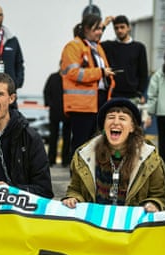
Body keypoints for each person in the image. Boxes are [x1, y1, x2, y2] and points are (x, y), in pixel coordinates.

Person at [62, 98, 165, 212]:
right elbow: (75, 190)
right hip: (94, 224)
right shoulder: (85, 155)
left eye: (122, 118)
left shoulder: (150, 158)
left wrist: (153, 204)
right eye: (111, 117)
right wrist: (73, 198)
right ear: (104, 126)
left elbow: (158, 196)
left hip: (132, 225)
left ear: (132, 127)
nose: (116, 122)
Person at [61, 14, 114, 156]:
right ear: (86, 29)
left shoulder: (96, 47)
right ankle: (78, 176)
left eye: (101, 29)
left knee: (95, 144)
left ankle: (91, 176)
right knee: (81, 144)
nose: (100, 32)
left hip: (99, 101)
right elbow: (73, 72)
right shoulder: (73, 46)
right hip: (82, 105)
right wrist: (100, 72)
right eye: (96, 29)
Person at [101, 15, 149, 105]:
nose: (119, 30)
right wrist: (104, 25)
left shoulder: (139, 47)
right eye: (116, 28)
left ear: (129, 28)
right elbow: (93, 42)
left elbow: (143, 73)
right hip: (112, 95)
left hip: (133, 97)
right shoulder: (108, 46)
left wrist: (140, 93)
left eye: (122, 27)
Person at [43, 65, 72, 167]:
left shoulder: (70, 78)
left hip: (67, 111)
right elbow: (46, 91)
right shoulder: (53, 77)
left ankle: (65, 160)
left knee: (67, 137)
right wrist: (48, 104)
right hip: (54, 111)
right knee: (53, 137)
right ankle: (51, 160)